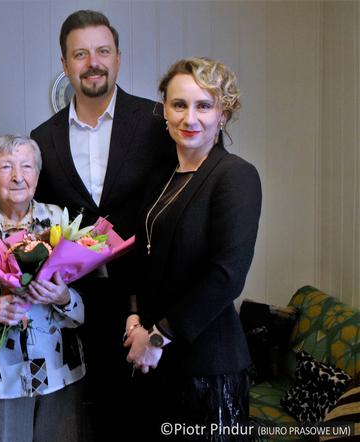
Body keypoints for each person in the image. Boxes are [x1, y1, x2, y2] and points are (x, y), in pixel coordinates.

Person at [30, 9, 174, 437]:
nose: (92, 62)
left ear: (118, 58)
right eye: (80, 54)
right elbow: (29, 211)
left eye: (102, 51)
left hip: (147, 300)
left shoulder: (158, 122)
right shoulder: (42, 137)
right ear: (65, 64)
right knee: (85, 418)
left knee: (146, 419)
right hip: (74, 304)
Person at [123, 57, 261, 439]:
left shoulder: (235, 176)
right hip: (152, 357)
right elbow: (141, 257)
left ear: (224, 114)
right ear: (164, 111)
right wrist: (134, 320)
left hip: (207, 366)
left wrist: (156, 338)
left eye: (204, 106)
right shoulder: (161, 178)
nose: (190, 117)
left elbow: (226, 276)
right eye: (179, 104)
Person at [0, 134, 85, 442]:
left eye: (26, 166)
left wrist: (63, 297)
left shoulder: (61, 224)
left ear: (37, 176)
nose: (17, 176)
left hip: (57, 372)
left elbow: (87, 305)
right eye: (6, 167)